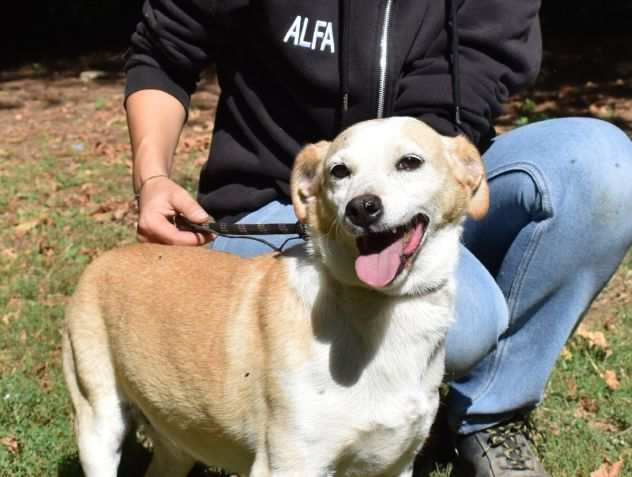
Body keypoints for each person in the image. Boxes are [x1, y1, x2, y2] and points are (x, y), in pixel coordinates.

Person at [124, 1, 632, 475]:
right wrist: (152, 178)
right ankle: (312, 425)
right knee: (468, 322)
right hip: (277, 197)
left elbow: (480, 74)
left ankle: (487, 417)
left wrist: (423, 178)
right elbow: (165, 48)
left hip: (427, 169)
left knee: (602, 164)